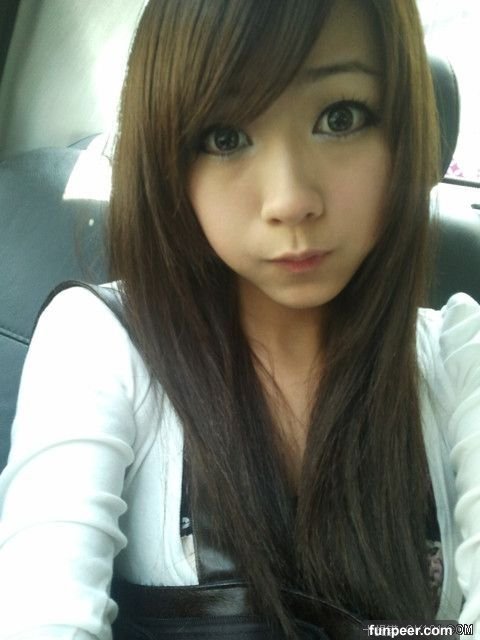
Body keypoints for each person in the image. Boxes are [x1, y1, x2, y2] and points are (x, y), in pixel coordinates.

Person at [0, 0, 479, 638]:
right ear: (168, 156)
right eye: (225, 137)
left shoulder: (460, 356)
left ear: (403, 132)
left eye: (340, 117)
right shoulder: (99, 341)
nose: (290, 199)